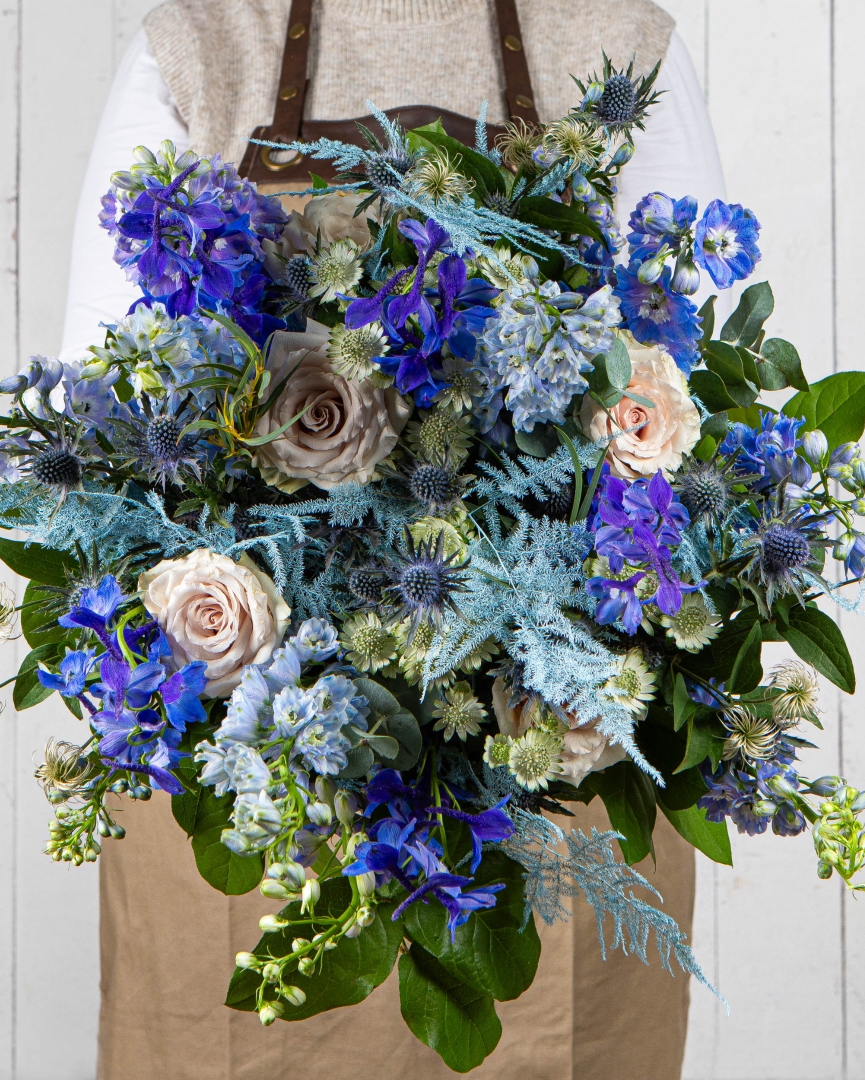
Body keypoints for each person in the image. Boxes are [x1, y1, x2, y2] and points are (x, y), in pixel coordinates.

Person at [59, 4, 730, 1077]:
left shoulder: (609, 36)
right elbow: (106, 415)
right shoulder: (201, 40)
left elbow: (693, 402)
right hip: (260, 764)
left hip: (539, 756)